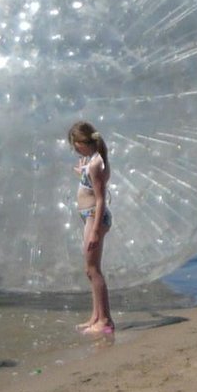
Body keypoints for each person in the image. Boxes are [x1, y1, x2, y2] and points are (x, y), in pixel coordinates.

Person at [69, 121, 115, 335]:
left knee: (92, 270)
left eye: (75, 145)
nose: (74, 149)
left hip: (95, 217)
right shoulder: (93, 161)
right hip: (89, 217)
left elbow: (100, 198)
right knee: (90, 270)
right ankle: (95, 316)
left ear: (83, 142)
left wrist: (96, 229)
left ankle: (105, 320)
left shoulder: (96, 163)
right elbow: (90, 181)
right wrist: (82, 172)